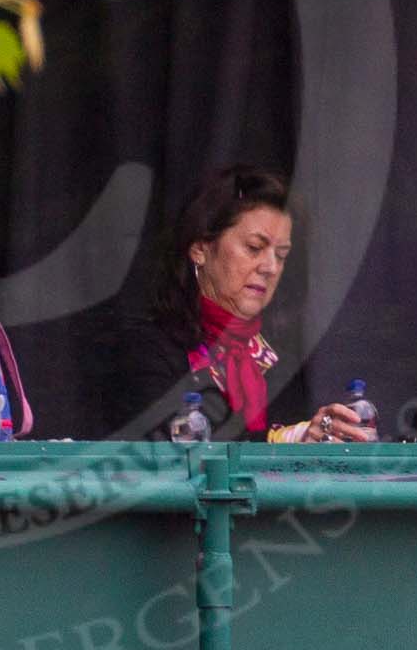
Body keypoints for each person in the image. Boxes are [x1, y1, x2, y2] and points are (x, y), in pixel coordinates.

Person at [124, 166, 373, 443]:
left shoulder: (280, 360)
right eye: (255, 248)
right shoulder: (146, 348)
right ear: (200, 249)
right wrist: (290, 440)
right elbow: (177, 454)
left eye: (281, 255)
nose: (270, 267)